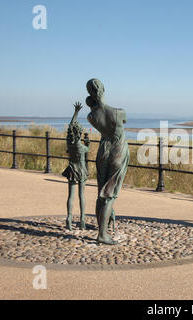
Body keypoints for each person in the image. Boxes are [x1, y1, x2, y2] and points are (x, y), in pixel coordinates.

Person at [85, 78, 130, 245]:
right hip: (118, 151)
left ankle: (102, 226)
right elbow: (122, 122)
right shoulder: (119, 112)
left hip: (103, 152)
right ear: (103, 89)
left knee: (101, 193)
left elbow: (99, 115)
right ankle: (102, 234)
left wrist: (93, 105)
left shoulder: (91, 116)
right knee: (109, 195)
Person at [62, 102, 90, 230]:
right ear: (80, 133)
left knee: (70, 196)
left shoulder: (69, 142)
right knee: (81, 195)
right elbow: (87, 149)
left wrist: (76, 113)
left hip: (72, 170)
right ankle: (83, 218)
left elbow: (71, 125)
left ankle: (69, 217)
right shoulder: (82, 147)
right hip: (82, 171)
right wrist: (87, 143)